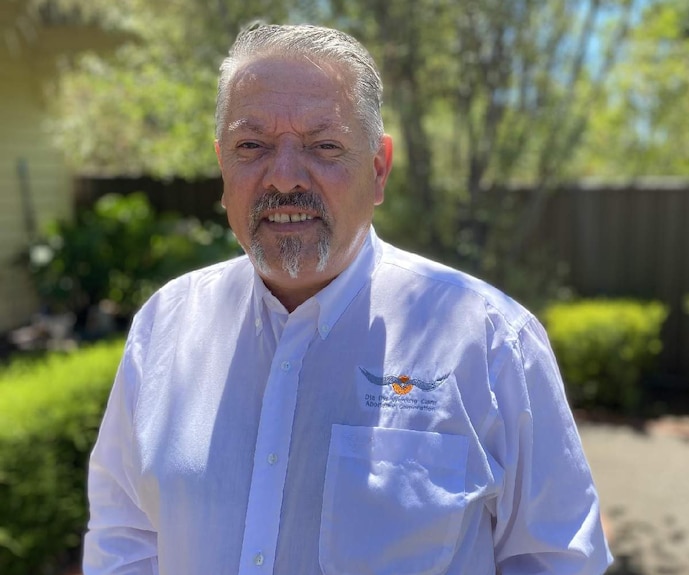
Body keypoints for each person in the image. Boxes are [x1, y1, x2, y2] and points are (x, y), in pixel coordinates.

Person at [83, 23, 612, 575]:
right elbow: (127, 532)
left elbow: (556, 560)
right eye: (252, 146)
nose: (284, 179)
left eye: (324, 145)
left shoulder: (491, 340)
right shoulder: (165, 326)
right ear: (223, 166)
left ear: (378, 169)